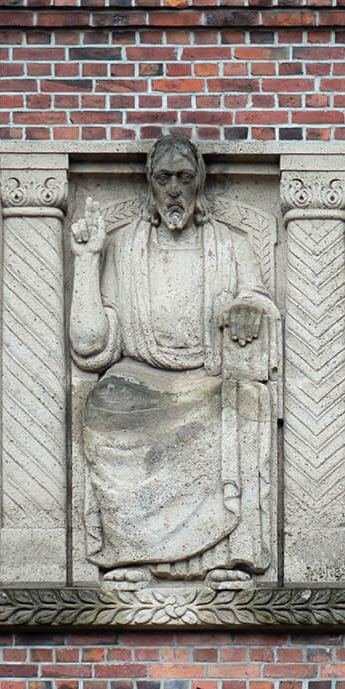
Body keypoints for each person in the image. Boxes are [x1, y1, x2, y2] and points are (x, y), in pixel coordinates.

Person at [67, 132, 279, 589]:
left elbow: (257, 300)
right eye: (164, 178)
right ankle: (131, 553)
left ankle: (229, 556)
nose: (174, 189)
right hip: (138, 379)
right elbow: (89, 346)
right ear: (150, 183)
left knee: (249, 400)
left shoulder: (232, 243)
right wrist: (86, 260)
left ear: (200, 182)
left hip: (210, 376)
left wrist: (249, 307)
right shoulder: (122, 246)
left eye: (184, 177)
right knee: (104, 405)